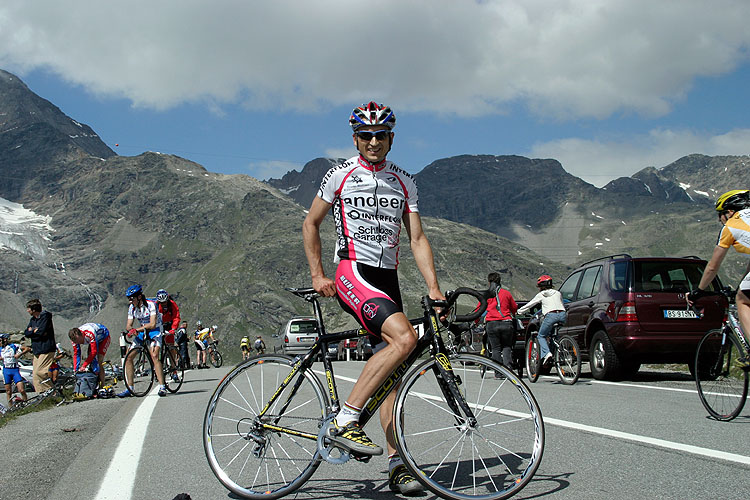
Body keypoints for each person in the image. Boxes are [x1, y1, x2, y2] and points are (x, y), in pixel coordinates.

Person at [302, 101, 443, 495]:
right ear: (355, 139)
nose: (374, 141)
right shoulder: (340, 174)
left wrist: (433, 286)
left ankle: (397, 464)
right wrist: (318, 275)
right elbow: (310, 223)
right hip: (354, 272)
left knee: (392, 376)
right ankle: (346, 420)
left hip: (388, 279)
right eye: (366, 135)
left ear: (391, 138)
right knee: (404, 339)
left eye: (381, 135)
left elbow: (416, 238)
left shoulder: (405, 182)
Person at [688, 189, 750, 368]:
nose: (719, 220)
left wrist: (698, 291)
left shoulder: (730, 226)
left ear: (729, 211)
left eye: (720, 215)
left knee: (743, 300)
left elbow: (713, 266)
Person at [119, 284, 167, 397]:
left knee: (154, 355)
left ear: (139, 297)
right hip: (142, 331)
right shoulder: (132, 308)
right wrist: (131, 331)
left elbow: (152, 324)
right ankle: (130, 388)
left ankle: (162, 386)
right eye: (129, 299)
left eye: (132, 298)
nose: (130, 301)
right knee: (128, 357)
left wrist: (137, 329)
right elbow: (128, 325)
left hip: (155, 330)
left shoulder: (151, 305)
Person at [517, 275, 567, 366]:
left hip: (551, 316)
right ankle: (558, 352)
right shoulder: (558, 293)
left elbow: (530, 304)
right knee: (553, 335)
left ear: (542, 286)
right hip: (562, 315)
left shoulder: (541, 295)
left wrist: (519, 311)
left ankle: (547, 354)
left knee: (541, 336)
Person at [482, 272, 518, 377]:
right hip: (506, 323)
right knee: (507, 346)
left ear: (489, 282)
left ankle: (498, 372)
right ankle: (508, 370)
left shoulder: (487, 294)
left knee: (495, 348)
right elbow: (514, 308)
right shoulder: (506, 293)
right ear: (499, 281)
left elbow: (480, 307)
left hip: (491, 324)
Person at [23, 298, 57, 392]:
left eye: (29, 308)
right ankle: (41, 395)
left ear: (34, 309)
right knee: (35, 376)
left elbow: (41, 332)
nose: (27, 310)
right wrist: (34, 332)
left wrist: (33, 332)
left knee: (41, 372)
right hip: (37, 349)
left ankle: (52, 392)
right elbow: (26, 333)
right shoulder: (33, 320)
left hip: (46, 348)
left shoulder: (45, 317)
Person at [69, 323, 111, 388]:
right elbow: (77, 354)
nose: (79, 343)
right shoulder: (74, 339)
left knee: (98, 360)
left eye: (79, 341)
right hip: (94, 339)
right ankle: (92, 384)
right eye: (76, 342)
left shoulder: (89, 333)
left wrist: (84, 365)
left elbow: (94, 352)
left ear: (82, 335)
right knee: (91, 359)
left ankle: (102, 385)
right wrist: (76, 370)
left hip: (104, 337)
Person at [156, 289, 181, 380]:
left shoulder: (172, 304)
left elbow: (176, 317)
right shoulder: (155, 305)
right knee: (156, 349)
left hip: (169, 326)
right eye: (161, 303)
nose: (164, 304)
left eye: (165, 302)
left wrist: (173, 328)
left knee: (171, 348)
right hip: (158, 326)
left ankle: (174, 370)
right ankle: (158, 369)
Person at [1, 333, 30, 406]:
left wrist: (19, 354)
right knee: (8, 391)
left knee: (21, 390)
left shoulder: (13, 346)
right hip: (6, 370)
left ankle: (26, 402)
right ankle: (10, 407)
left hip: (14, 370)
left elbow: (27, 348)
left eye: (0, 340)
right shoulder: (0, 349)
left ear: (5, 340)